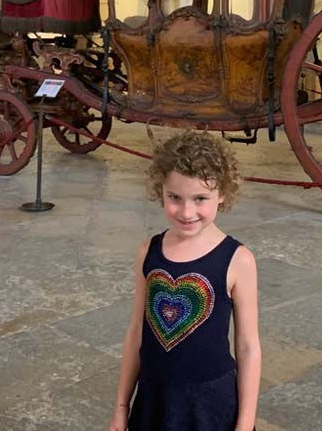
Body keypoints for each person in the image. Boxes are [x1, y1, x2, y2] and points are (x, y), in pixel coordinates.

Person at [111, 131, 261, 431]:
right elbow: (137, 332)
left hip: (210, 402)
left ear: (222, 194)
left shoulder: (238, 260)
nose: (187, 211)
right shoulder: (148, 252)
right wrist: (121, 408)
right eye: (175, 198)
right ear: (161, 191)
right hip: (155, 399)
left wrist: (245, 424)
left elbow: (247, 347)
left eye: (200, 199)